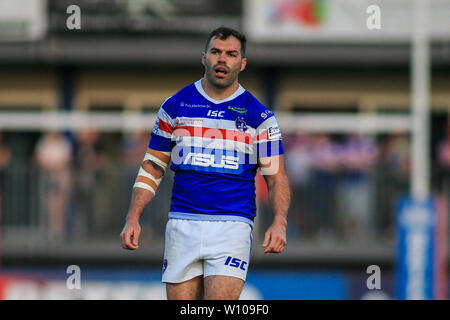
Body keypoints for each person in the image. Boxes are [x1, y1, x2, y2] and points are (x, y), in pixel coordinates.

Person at [120, 27, 290, 300]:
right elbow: (153, 166)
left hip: (231, 225)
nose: (222, 59)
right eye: (216, 52)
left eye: (231, 54)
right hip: (182, 223)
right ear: (204, 57)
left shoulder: (259, 116)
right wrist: (133, 217)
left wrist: (280, 221)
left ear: (242, 63)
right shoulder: (175, 106)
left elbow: (276, 177)